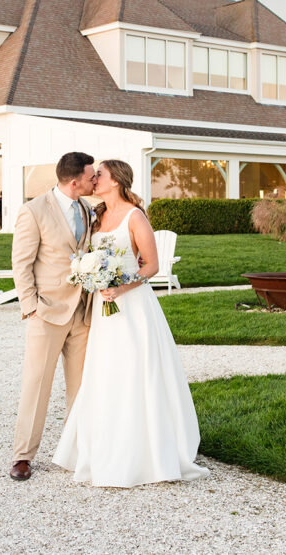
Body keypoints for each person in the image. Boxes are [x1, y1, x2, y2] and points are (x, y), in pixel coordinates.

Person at [52, 160, 208, 488]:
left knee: (137, 369)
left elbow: (152, 265)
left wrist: (122, 285)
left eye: (101, 176)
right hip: (103, 305)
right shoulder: (95, 216)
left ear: (117, 181)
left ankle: (147, 449)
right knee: (105, 371)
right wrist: (90, 274)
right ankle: (104, 444)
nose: (94, 180)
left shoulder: (135, 217)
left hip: (132, 304)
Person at [8, 152, 96, 482]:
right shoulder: (33, 211)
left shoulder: (89, 209)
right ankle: (22, 456)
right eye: (91, 177)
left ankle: (74, 451)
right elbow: (22, 263)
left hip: (83, 314)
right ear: (74, 181)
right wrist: (30, 307)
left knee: (81, 388)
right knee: (36, 385)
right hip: (45, 313)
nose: (94, 181)